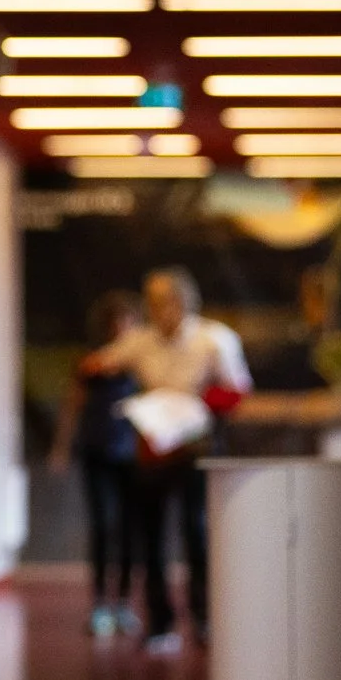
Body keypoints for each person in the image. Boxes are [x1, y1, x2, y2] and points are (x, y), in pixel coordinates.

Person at [82, 267, 252, 655]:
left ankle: (205, 618)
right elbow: (98, 364)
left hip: (197, 444)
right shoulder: (139, 341)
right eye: (153, 302)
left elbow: (238, 391)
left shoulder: (213, 340)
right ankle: (160, 622)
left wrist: (198, 404)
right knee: (152, 536)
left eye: (167, 300)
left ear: (185, 301)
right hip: (153, 445)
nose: (160, 310)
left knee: (198, 531)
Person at [48, 290, 146, 638]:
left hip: (133, 453)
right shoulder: (90, 364)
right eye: (115, 321)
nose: (121, 327)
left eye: (126, 320)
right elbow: (72, 406)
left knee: (129, 531)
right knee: (103, 526)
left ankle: (123, 602)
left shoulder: (140, 363)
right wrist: (60, 448)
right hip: (98, 450)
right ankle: (101, 603)